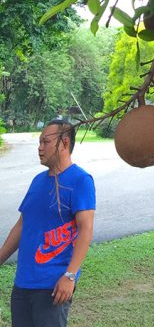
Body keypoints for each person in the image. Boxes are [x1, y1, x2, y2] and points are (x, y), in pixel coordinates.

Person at [0, 119, 96, 327]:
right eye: (39, 143)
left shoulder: (80, 180)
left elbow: (85, 229)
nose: (40, 148)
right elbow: (22, 225)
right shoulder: (38, 181)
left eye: (46, 142)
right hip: (23, 283)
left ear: (64, 143)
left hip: (53, 285)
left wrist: (70, 276)